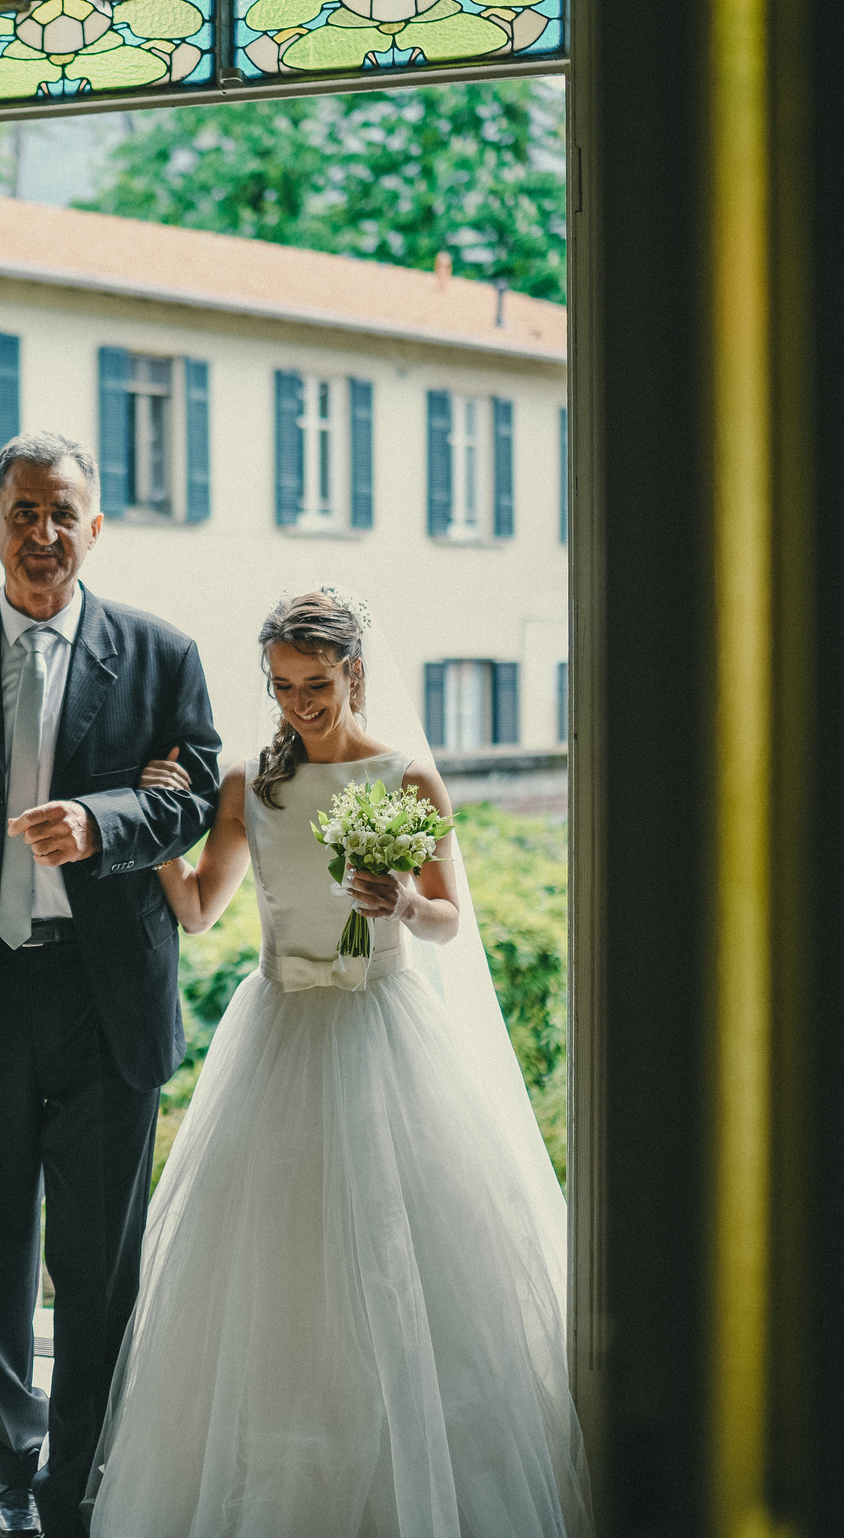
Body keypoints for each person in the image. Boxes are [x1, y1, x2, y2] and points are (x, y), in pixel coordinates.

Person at [84, 590, 590, 1538]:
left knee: (397, 1260)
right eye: (282, 687)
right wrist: (154, 825)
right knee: (281, 1271)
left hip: (382, 1033)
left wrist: (402, 902)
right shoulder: (252, 784)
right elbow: (199, 908)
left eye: (315, 684)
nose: (299, 704)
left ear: (354, 672)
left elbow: (448, 920)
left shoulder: (407, 780)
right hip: (278, 1037)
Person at [0, 431, 222, 1538]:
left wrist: (102, 821)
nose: (44, 533)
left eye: (64, 513)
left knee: (96, 1265)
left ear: (94, 528)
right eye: (24, 511)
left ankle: (77, 1482)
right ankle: (12, 1466)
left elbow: (194, 796)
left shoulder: (161, 655)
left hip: (104, 1003)